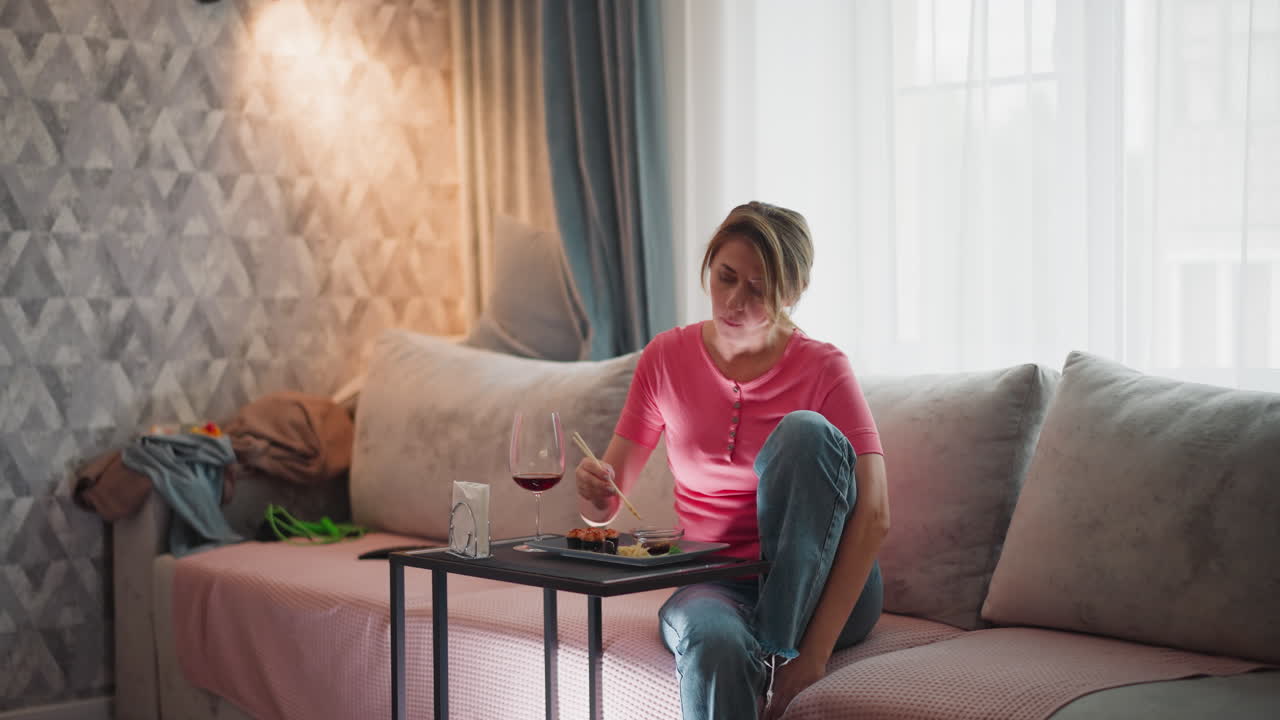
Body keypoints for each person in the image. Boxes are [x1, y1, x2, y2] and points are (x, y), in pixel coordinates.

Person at [575, 201, 890, 720]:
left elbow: (875, 513)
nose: (735, 300)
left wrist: (811, 656)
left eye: (759, 289)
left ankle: (774, 641)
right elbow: (608, 502)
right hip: (714, 583)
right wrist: (595, 491)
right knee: (712, 639)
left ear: (791, 295)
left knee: (804, 432)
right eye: (726, 277)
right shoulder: (665, 359)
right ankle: (757, 641)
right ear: (709, 265)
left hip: (826, 587)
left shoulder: (823, 367)